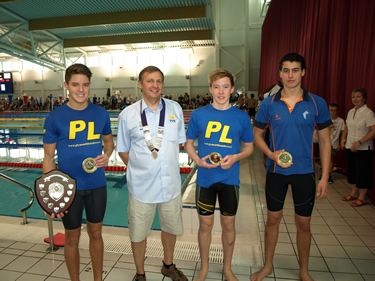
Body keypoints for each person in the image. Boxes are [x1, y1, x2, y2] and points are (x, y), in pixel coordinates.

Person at [251, 53, 332, 281]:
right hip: (276, 173)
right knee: (272, 220)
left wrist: (324, 176)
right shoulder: (269, 103)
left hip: (305, 173)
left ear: (303, 72)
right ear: (279, 74)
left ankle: (303, 270)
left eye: (295, 70)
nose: (290, 75)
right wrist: (270, 154)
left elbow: (325, 142)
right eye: (285, 70)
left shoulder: (317, 103)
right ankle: (267, 266)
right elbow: (257, 135)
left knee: (303, 223)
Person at [43, 63, 114, 281]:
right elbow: (48, 159)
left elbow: (109, 143)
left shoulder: (101, 114)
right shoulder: (55, 117)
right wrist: (52, 198)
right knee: (72, 238)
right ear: (66, 86)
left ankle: (97, 279)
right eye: (75, 84)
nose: (80, 89)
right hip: (68, 189)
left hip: (96, 185)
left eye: (85, 84)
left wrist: (107, 155)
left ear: (90, 85)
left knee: (96, 234)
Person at [116, 66, 188, 281]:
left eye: (158, 81)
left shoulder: (175, 109)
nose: (155, 85)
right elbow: (122, 149)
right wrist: (140, 169)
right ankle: (140, 273)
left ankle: (168, 265)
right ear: (140, 84)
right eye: (149, 81)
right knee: (138, 234)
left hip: (171, 185)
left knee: (171, 228)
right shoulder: (127, 115)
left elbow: (182, 144)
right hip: (141, 187)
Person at [185, 69, 254, 281]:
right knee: (205, 226)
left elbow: (250, 147)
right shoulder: (199, 114)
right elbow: (188, 144)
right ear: (210, 89)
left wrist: (236, 157)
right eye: (216, 87)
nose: (221, 91)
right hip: (205, 180)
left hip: (229, 180)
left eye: (225, 86)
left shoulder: (241, 117)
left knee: (228, 226)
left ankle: (227, 268)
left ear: (232, 89)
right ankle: (204, 267)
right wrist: (198, 161)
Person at [340, 88, 375, 206]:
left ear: (364, 98)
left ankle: (362, 197)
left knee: (363, 173)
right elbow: (346, 126)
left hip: (364, 149)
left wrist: (359, 143)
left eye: (358, 96)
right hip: (350, 146)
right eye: (354, 96)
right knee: (353, 171)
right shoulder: (351, 111)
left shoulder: (368, 113)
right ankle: (354, 192)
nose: (355, 99)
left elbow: (373, 131)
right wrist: (343, 139)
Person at [318, 103, 345, 183]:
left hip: (334, 144)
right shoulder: (325, 119)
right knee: (323, 158)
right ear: (328, 111)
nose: (333, 112)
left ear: (338, 111)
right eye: (331, 110)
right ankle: (323, 173)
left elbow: (343, 132)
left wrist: (341, 142)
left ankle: (328, 174)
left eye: (335, 110)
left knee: (330, 159)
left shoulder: (340, 121)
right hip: (324, 143)